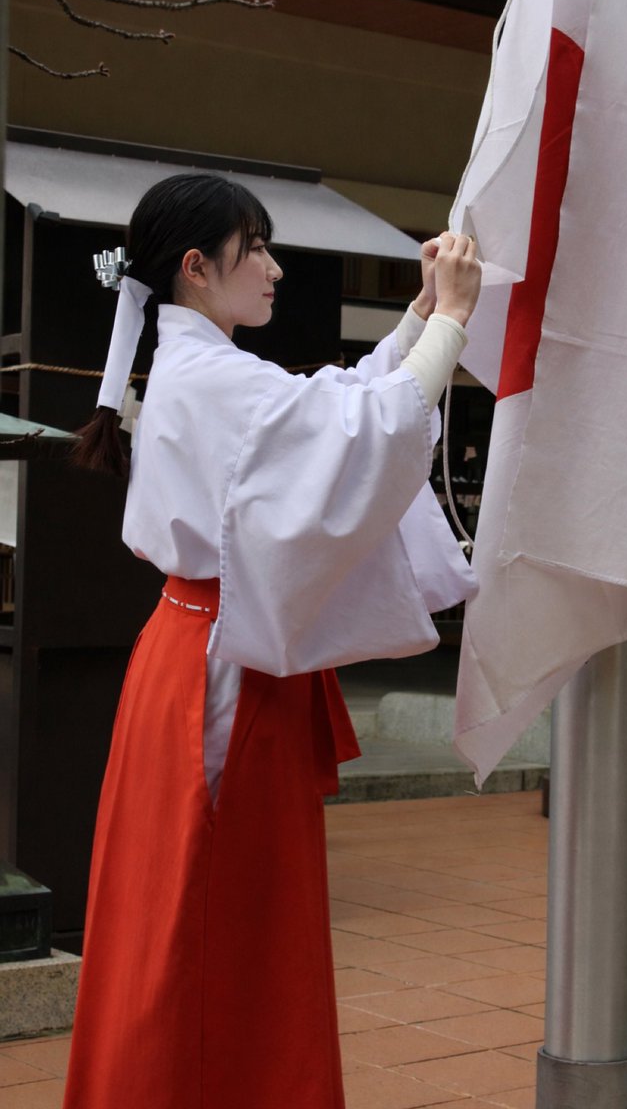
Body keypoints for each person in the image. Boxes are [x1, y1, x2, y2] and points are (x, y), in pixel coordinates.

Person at [63, 172, 481, 1109]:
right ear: (198, 268)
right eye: (257, 248)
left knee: (198, 915)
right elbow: (352, 433)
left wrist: (418, 318)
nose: (275, 268)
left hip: (199, 651)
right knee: (215, 921)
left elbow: (331, 412)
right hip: (218, 673)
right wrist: (451, 321)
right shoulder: (211, 375)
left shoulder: (200, 366)